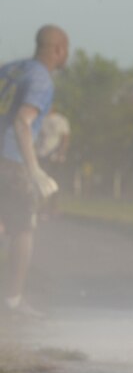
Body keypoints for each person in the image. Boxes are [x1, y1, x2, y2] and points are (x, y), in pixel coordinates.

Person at [0, 25, 69, 317]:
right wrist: (34, 170)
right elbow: (22, 122)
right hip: (12, 160)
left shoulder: (12, 69)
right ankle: (13, 300)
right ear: (58, 49)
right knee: (23, 228)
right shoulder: (42, 79)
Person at [36, 107, 71, 217]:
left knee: (54, 182)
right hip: (42, 155)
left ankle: (54, 207)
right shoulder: (41, 119)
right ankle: (42, 206)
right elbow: (38, 137)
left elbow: (65, 138)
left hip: (55, 157)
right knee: (42, 182)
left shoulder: (60, 120)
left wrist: (61, 153)